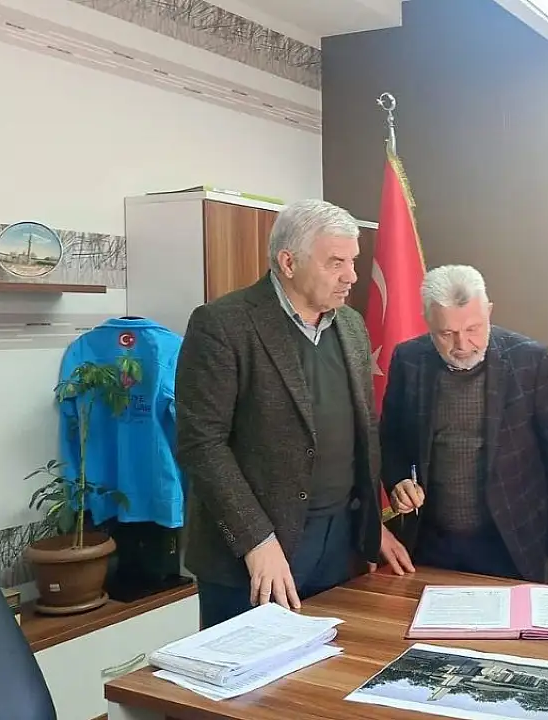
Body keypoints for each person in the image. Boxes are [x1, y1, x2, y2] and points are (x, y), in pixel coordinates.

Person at [177, 199, 414, 629]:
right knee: (253, 671)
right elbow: (201, 445)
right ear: (288, 262)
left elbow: (364, 427)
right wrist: (257, 541)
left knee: (333, 667)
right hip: (255, 557)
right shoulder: (223, 325)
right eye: (336, 262)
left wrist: (371, 524)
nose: (352, 276)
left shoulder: (351, 326)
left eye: (353, 261)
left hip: (340, 545)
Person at [380, 265, 548, 582]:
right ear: (427, 321)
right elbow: (390, 439)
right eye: (446, 334)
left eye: (473, 328)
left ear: (488, 312)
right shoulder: (409, 359)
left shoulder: (530, 360)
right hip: (432, 540)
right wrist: (399, 481)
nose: (462, 345)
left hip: (512, 539)